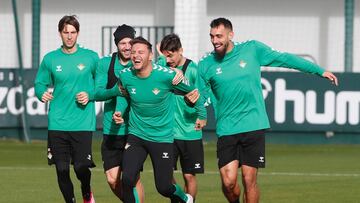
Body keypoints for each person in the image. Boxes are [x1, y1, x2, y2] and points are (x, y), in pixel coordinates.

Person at [197, 17, 338, 203]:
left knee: (249, 180)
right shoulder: (206, 64)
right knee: (229, 182)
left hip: (253, 124)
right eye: (212, 36)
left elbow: (285, 59)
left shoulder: (252, 49)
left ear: (231, 35)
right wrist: (199, 110)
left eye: (219, 36)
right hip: (227, 128)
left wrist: (318, 71)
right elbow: (202, 96)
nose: (215, 41)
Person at [112, 36, 206, 203]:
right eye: (133, 52)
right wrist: (118, 110)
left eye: (141, 52)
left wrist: (202, 115)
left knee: (165, 186)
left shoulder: (177, 73)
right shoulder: (128, 74)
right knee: (127, 179)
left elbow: (195, 93)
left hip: (166, 135)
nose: (135, 55)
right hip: (138, 134)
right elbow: (123, 94)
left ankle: (185, 198)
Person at [34, 15, 99, 203]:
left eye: (73, 32)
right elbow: (40, 82)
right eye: (65, 32)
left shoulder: (91, 57)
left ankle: (87, 192)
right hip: (58, 121)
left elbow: (101, 84)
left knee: (80, 167)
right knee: (61, 169)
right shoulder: (50, 59)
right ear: (60, 33)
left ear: (78, 33)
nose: (69, 36)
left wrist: (90, 94)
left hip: (82, 122)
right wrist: (41, 93)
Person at [94, 24, 144, 202]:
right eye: (123, 42)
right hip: (111, 129)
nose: (127, 46)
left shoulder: (139, 62)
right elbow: (98, 92)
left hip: (135, 130)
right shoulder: (105, 63)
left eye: (130, 42)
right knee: (113, 179)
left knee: (132, 177)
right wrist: (115, 91)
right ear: (116, 44)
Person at [158, 33, 207, 202]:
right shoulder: (161, 65)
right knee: (166, 175)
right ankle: (178, 200)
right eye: (165, 55)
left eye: (171, 55)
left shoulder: (193, 69)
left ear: (181, 51)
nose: (168, 59)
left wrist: (199, 111)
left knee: (189, 176)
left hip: (189, 131)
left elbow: (203, 98)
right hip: (167, 133)